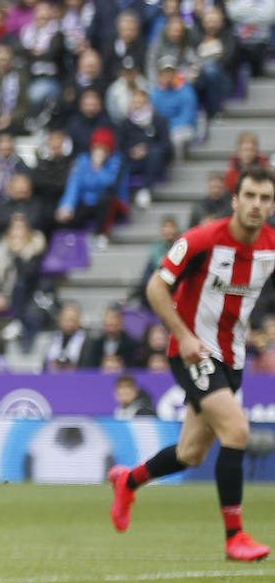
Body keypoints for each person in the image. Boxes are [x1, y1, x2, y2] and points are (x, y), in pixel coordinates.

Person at [108, 165, 275, 562]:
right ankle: (235, 537)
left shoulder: (270, 246)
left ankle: (128, 481)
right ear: (234, 200)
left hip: (232, 357)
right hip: (194, 353)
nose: (256, 205)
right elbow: (155, 287)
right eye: (249, 196)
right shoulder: (201, 240)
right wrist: (183, 335)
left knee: (191, 453)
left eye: (265, 198)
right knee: (237, 429)